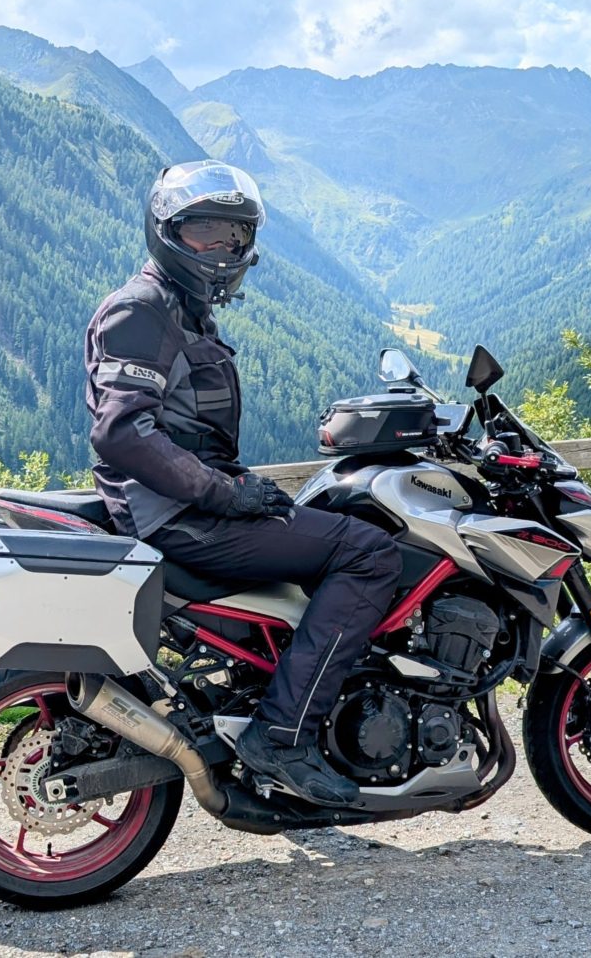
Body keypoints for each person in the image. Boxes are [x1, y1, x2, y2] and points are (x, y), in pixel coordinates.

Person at [85, 160, 402, 806]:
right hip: (180, 520)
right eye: (203, 232)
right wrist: (228, 496)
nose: (221, 249)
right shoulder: (141, 310)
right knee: (371, 554)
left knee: (340, 524)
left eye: (233, 236)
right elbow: (122, 431)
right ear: (166, 232)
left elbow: (189, 436)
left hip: (190, 509)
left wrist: (238, 485)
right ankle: (282, 734)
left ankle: (301, 697)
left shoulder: (184, 313)